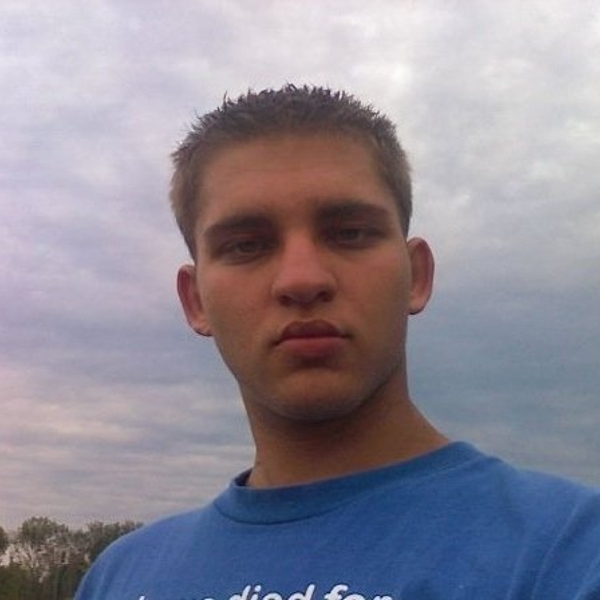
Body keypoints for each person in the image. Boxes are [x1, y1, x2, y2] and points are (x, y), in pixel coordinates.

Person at [76, 85, 600, 599]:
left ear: (416, 276)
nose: (302, 279)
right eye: (247, 245)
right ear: (195, 301)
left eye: (349, 233)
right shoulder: (120, 578)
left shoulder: (570, 553)